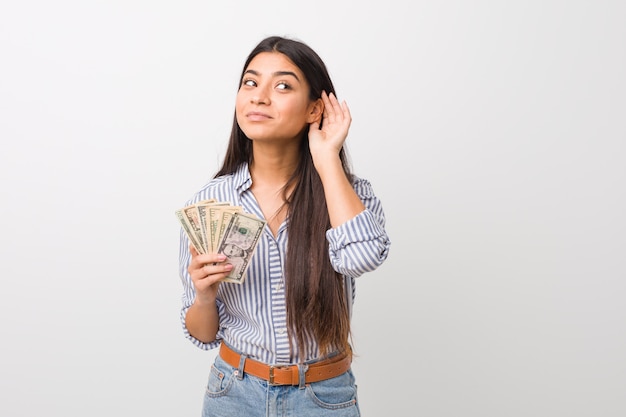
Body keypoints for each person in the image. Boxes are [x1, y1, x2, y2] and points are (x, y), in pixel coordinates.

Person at [178, 35, 391, 417]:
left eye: (282, 85)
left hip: (324, 398)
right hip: (233, 395)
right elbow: (202, 333)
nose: (259, 96)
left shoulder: (348, 193)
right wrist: (204, 296)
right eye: (250, 82)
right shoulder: (210, 203)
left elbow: (362, 257)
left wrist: (326, 159)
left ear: (314, 109)